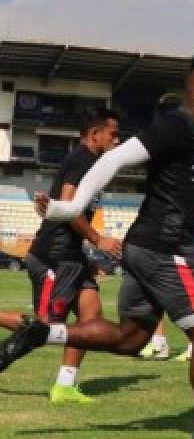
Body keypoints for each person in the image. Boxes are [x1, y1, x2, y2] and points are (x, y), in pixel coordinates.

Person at [0, 53, 194, 439]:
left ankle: (44, 332)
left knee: (131, 338)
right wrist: (68, 210)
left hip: (146, 247)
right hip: (168, 250)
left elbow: (177, 191)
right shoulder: (174, 126)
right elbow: (114, 158)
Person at [0, 109, 122, 404]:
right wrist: (97, 239)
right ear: (95, 135)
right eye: (113, 134)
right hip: (53, 258)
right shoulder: (81, 160)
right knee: (43, 327)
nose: (117, 140)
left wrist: (84, 253)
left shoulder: (92, 164)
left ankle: (64, 386)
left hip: (71, 256)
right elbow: (68, 207)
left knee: (91, 318)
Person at [141, 171, 194, 361]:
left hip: (187, 236)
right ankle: (159, 341)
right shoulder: (190, 164)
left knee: (193, 293)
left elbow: (188, 200)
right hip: (175, 234)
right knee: (154, 289)